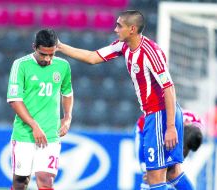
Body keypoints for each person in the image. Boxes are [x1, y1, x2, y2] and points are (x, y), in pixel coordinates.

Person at [57, 10, 193, 190]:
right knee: (172, 172)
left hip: (161, 115)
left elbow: (169, 87)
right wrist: (60, 46)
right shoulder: (123, 46)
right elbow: (92, 57)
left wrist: (170, 127)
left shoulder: (150, 52)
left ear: (132, 29)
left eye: (119, 25)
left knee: (154, 177)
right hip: (156, 115)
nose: (115, 29)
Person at [7, 29, 74, 190]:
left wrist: (67, 117)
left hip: (50, 134)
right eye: (44, 54)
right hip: (24, 134)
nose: (48, 59)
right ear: (34, 47)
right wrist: (34, 126)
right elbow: (14, 100)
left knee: (46, 181)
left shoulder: (63, 66)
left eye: (51, 54)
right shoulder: (20, 65)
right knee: (20, 182)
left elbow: (68, 93)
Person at [135, 110, 203, 189]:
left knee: (171, 173)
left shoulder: (196, 124)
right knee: (153, 177)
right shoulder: (159, 128)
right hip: (145, 133)